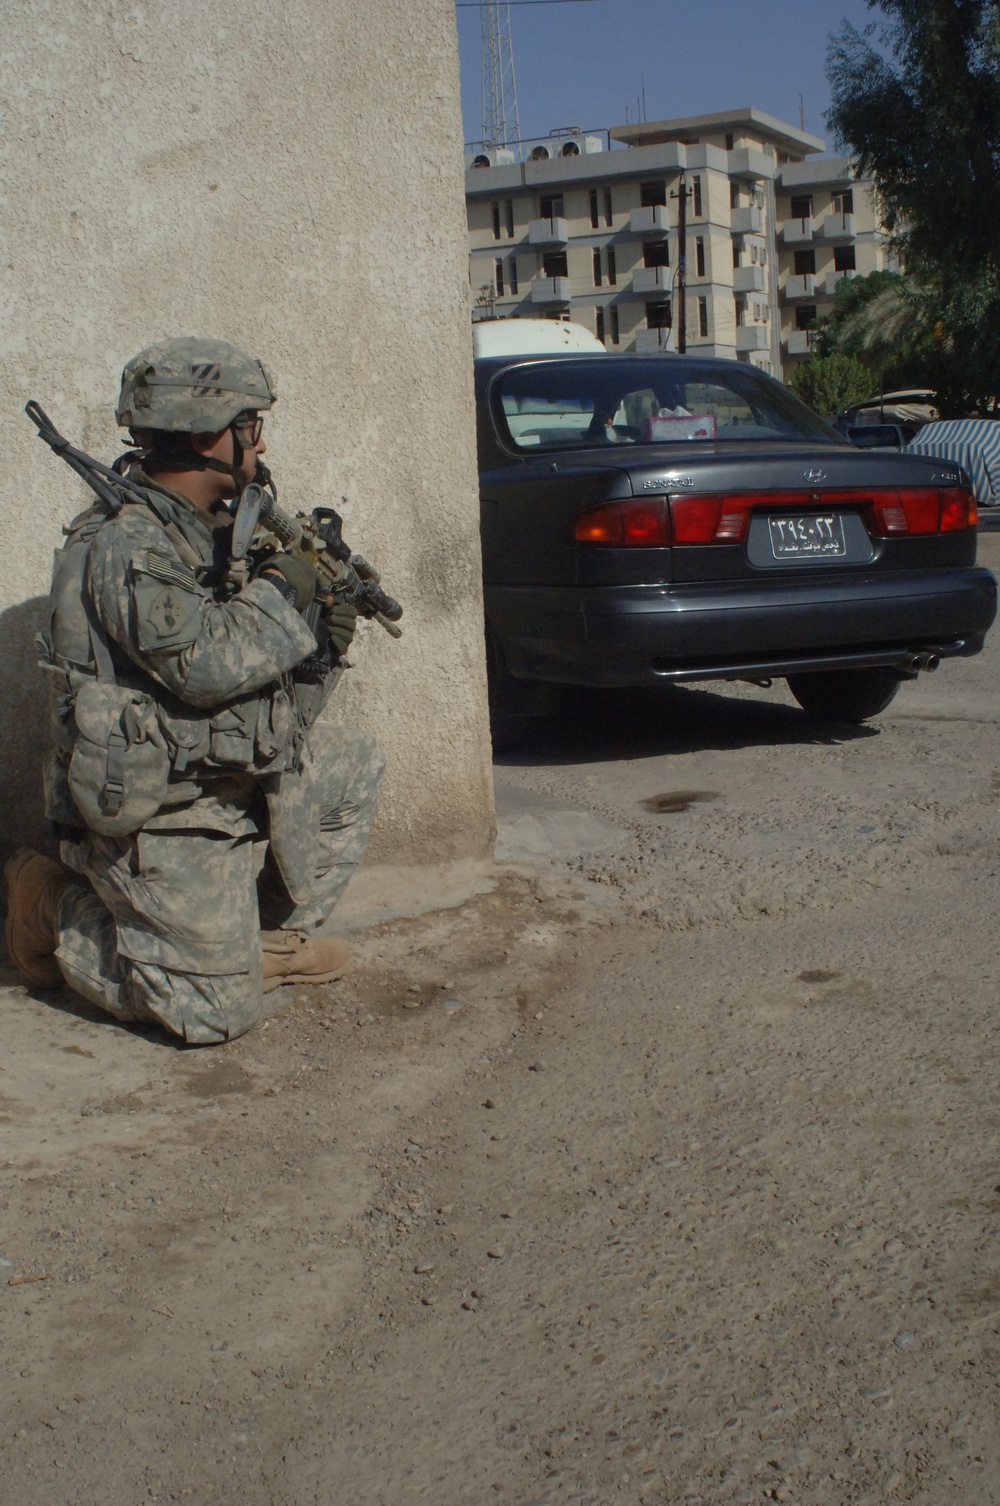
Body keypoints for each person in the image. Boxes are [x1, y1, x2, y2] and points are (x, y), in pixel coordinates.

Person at [4, 337, 385, 1044]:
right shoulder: (129, 545)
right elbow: (206, 667)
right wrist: (283, 590)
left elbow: (261, 698)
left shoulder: (211, 535)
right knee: (213, 1016)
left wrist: (320, 650)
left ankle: (241, 948)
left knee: (354, 764)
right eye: (251, 424)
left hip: (229, 782)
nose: (260, 440)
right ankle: (52, 905)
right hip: (163, 809)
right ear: (210, 434)